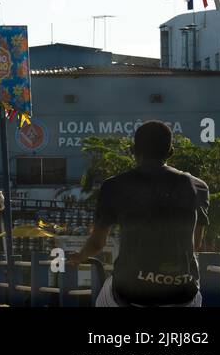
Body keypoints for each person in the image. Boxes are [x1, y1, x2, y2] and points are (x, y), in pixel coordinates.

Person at [69, 121, 210, 308]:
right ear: (170, 152)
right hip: (183, 294)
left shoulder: (114, 186)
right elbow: (196, 245)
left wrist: (79, 257)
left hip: (131, 294)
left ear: (133, 151)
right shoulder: (198, 187)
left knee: (103, 297)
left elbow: (97, 243)